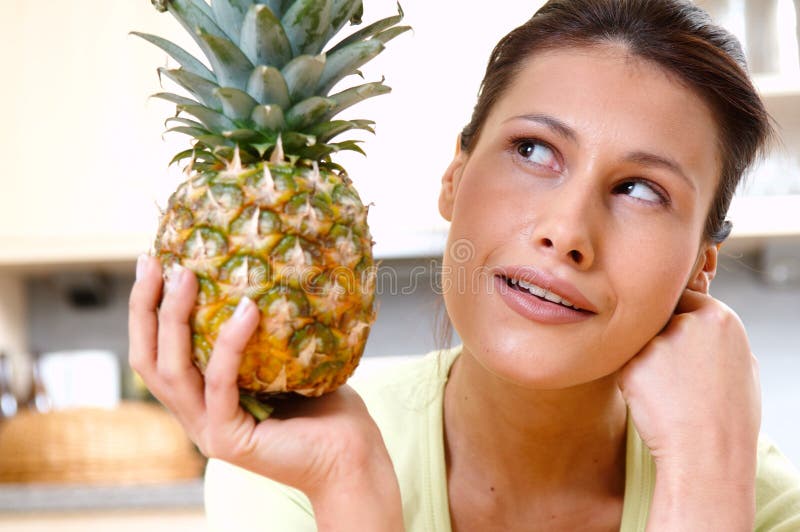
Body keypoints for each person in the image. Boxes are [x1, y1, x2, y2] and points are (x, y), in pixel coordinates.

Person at [129, 0, 800, 530]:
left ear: (700, 265)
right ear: (454, 176)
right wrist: (347, 485)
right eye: (533, 150)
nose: (567, 233)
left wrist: (704, 484)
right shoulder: (291, 468)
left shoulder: (757, 506)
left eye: (641, 190)